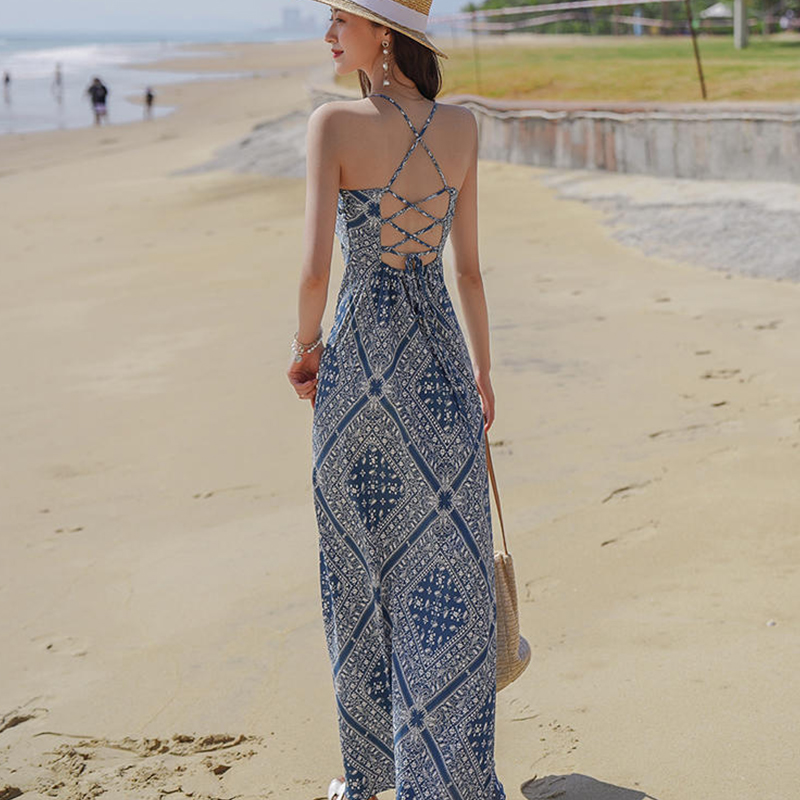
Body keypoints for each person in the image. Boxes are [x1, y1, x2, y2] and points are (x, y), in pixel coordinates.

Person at [286, 0, 504, 798]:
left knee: (361, 572)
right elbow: (468, 271)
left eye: (339, 19)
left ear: (383, 32)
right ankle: (449, 779)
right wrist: (483, 373)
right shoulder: (464, 127)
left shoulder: (333, 126)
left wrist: (305, 348)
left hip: (359, 372)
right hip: (442, 366)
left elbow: (316, 271)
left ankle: (371, 775)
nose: (327, 34)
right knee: (445, 574)